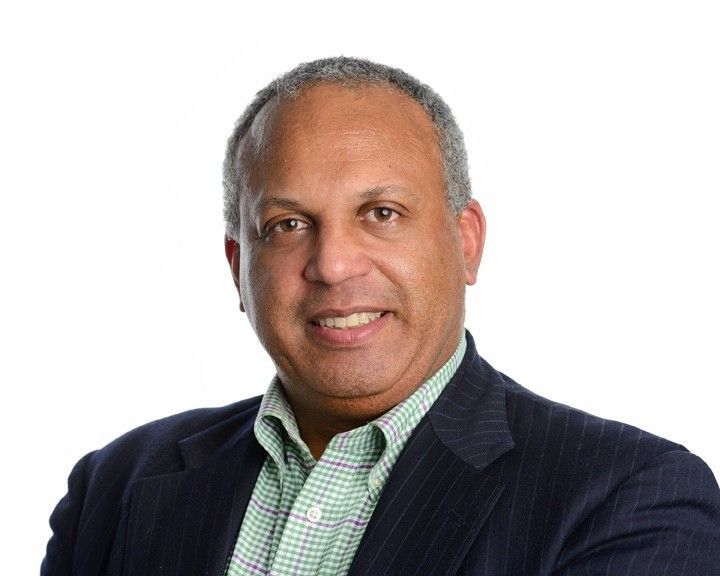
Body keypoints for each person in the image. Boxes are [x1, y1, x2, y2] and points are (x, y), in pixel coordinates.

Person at [42, 57, 720, 576]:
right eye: (287, 224)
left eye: (382, 213)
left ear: (465, 242)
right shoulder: (115, 487)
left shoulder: (626, 498)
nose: (333, 264)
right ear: (238, 266)